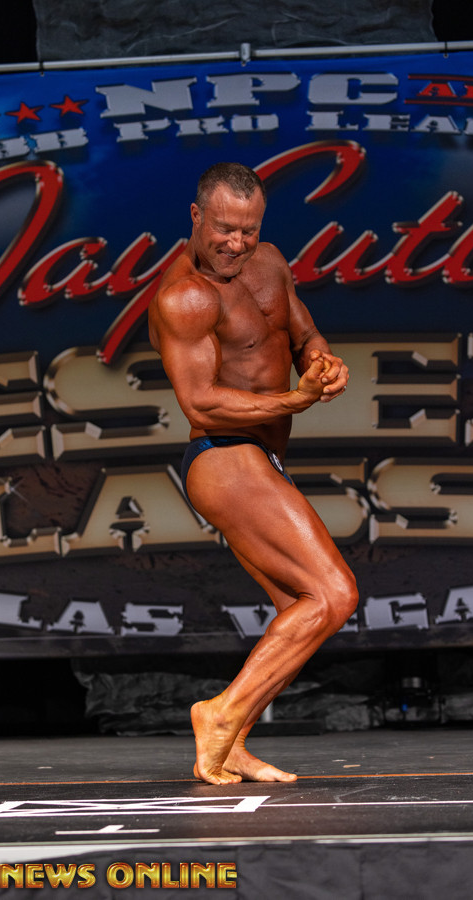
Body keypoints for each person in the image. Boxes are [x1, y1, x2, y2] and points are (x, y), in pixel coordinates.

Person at [148, 162, 358, 785]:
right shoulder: (185, 296)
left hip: (261, 458)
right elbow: (201, 403)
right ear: (196, 217)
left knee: (302, 611)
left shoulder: (269, 264)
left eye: (248, 230)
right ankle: (218, 715)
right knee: (335, 593)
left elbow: (302, 333)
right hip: (223, 456)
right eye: (224, 230)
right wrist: (295, 401)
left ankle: (234, 740)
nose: (236, 244)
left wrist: (321, 364)